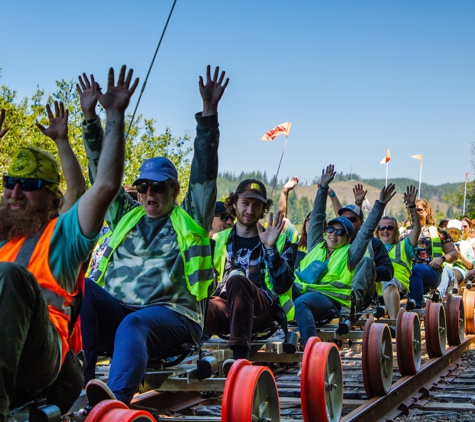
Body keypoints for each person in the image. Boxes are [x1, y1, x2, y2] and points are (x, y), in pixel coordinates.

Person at [79, 65, 229, 405]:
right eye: (143, 186)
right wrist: (90, 119)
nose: (149, 194)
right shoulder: (125, 216)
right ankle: (80, 386)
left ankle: (112, 407)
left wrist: (209, 114)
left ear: (173, 189)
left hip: (174, 316)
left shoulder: (190, 216)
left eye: (158, 187)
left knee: (135, 324)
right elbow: (102, 174)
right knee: (84, 289)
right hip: (122, 311)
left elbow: (204, 173)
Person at [0, 65, 138, 420]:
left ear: (50, 198)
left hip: (48, 363)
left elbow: (102, 186)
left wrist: (114, 117)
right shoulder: (4, 236)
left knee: (10, 277)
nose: (15, 193)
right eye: (9, 182)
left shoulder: (62, 235)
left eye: (28, 186)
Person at [293, 165, 395, 347]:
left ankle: (310, 348)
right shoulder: (316, 245)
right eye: (331, 229)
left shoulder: (350, 254)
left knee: (302, 303)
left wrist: (380, 204)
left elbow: (365, 232)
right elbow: (317, 217)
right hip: (302, 288)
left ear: (348, 238)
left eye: (340, 232)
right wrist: (323, 188)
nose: (333, 234)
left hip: (329, 298)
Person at [206, 179, 295, 361]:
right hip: (226, 306)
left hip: (263, 308)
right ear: (234, 204)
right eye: (245, 203)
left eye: (256, 205)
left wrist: (271, 249)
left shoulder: (279, 240)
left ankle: (239, 360)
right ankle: (192, 355)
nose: (250, 210)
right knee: (201, 306)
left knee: (238, 280)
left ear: (263, 209)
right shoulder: (217, 240)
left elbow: (282, 286)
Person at [374, 186, 421, 319]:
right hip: (374, 286)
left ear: (395, 231)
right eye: (381, 228)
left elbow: (416, 229)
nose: (385, 230)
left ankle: (394, 323)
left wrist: (412, 206)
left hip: (396, 285)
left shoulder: (404, 245)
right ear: (377, 231)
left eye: (389, 227)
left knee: (389, 281)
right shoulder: (372, 247)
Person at [401, 199, 458, 308]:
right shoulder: (401, 232)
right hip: (404, 271)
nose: (416, 213)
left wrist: (442, 259)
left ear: (427, 212)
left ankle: (415, 307)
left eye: (419, 210)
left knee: (416, 270)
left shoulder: (438, 232)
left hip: (431, 271)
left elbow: (454, 253)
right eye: (412, 209)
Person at [445, 219, 475, 290]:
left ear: (460, 234)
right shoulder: (442, 243)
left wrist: (460, 256)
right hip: (443, 266)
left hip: (458, 268)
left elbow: (471, 266)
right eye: (451, 231)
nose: (453, 234)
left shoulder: (466, 245)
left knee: (452, 275)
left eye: (456, 232)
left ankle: (450, 294)